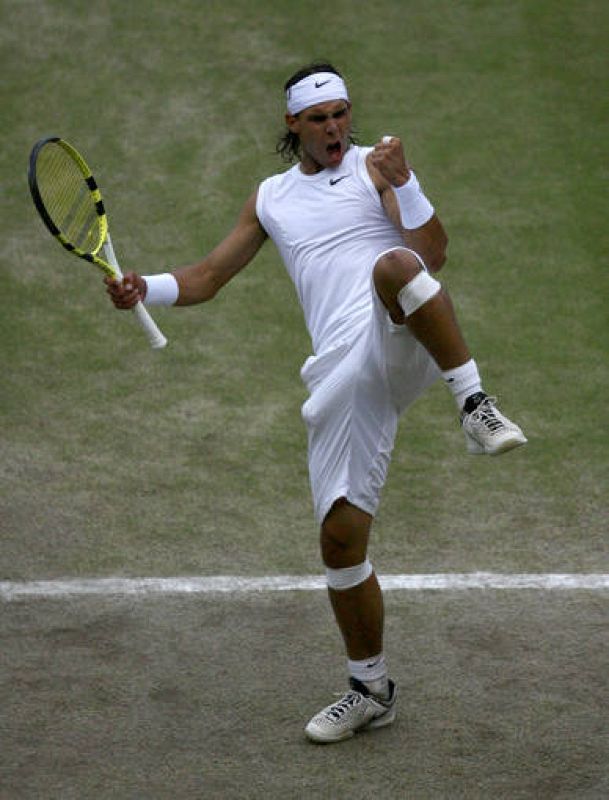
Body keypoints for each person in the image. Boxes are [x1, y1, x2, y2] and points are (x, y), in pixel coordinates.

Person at [106, 62, 526, 744]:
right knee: (338, 539)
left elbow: (431, 255)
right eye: (319, 118)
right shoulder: (271, 198)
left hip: (398, 331)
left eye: (341, 114)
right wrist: (142, 288)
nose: (335, 128)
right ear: (293, 125)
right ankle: (370, 688)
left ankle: (474, 403)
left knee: (394, 267)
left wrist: (406, 184)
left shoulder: (374, 168)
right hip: (341, 371)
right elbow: (209, 276)